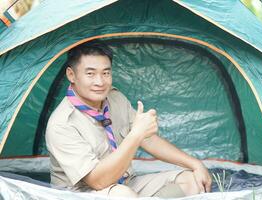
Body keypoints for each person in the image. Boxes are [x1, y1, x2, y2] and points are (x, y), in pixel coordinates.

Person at [45, 40, 212, 198]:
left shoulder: (115, 99)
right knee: (123, 196)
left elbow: (148, 140)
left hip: (125, 183)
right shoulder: (61, 123)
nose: (100, 82)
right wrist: (136, 135)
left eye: (106, 73)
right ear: (71, 75)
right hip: (82, 194)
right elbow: (97, 181)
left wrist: (195, 164)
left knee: (191, 181)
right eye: (90, 73)